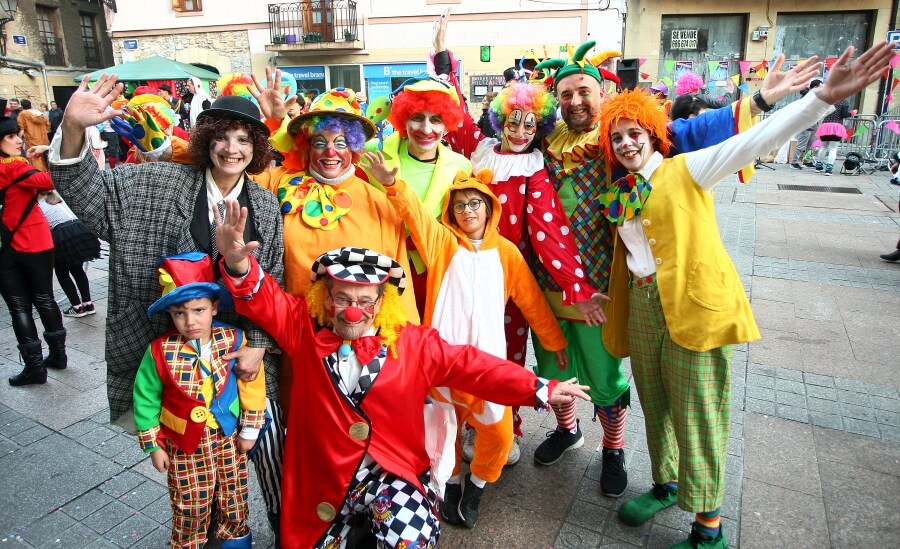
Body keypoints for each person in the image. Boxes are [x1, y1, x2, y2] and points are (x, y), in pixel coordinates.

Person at [597, 42, 893, 549]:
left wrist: (820, 100)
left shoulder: (689, 169)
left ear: (653, 135)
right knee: (657, 402)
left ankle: (708, 528)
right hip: (643, 308)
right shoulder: (620, 189)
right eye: (617, 136)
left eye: (634, 133)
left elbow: (756, 142)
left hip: (691, 306)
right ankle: (667, 484)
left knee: (699, 409)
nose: (626, 143)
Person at [528, 40, 814, 497]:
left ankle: (614, 448)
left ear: (602, 92)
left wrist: (759, 100)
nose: (575, 101)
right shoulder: (543, 139)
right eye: (565, 94)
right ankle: (567, 429)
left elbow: (699, 132)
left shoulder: (622, 134)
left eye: (583, 90)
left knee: (604, 374)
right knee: (553, 362)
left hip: (603, 282)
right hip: (548, 279)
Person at [213, 204, 592, 548]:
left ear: (382, 303)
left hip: (391, 473)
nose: (352, 311)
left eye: (365, 301)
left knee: (411, 541)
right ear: (324, 299)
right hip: (322, 476)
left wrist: (541, 387)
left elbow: (476, 367)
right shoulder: (303, 327)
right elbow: (264, 299)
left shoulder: (414, 344)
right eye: (342, 298)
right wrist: (237, 264)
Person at [47, 75, 287, 535]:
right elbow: (89, 197)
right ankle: (205, 534)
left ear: (256, 147)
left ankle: (270, 531)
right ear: (204, 140)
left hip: (239, 365)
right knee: (193, 478)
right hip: (175, 364)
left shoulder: (265, 205)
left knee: (257, 463)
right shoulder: (154, 182)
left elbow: (272, 277)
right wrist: (74, 129)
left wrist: (257, 343)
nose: (231, 149)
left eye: (242, 139)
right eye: (220, 136)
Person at [430, 13, 605, 462]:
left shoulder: (535, 170)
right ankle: (463, 420)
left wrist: (577, 287)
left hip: (506, 276)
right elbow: (458, 115)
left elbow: (551, 233)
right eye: (514, 122)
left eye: (531, 125)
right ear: (501, 120)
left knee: (504, 354)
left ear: (540, 127)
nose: (522, 132)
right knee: (460, 345)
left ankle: (505, 426)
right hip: (459, 264)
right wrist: (444, 58)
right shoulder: (481, 149)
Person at [367, 161, 569, 528]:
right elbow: (415, 215)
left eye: (475, 203)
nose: (467, 211)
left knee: (500, 432)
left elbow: (532, 301)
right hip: (441, 364)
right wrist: (393, 184)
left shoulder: (507, 253)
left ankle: (477, 484)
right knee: (444, 432)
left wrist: (554, 341)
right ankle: (454, 483)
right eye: (459, 205)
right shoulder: (442, 243)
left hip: (487, 367)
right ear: (451, 212)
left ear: (489, 207)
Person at [134, 252, 266, 549]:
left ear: (214, 307)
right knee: (189, 502)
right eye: (179, 313)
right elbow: (145, 398)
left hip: (228, 437)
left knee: (234, 495)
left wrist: (250, 429)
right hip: (184, 444)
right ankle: (189, 542)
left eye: (198, 310)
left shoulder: (234, 339)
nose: (190, 321)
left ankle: (235, 539)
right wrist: (153, 445)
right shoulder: (159, 350)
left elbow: (252, 383)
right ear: (170, 315)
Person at [359, 74, 472, 313]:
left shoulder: (460, 166)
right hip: (382, 269)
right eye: (417, 118)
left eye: (436, 120)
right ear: (403, 120)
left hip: (434, 269)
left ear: (447, 124)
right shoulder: (372, 155)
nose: (426, 129)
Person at [1, 116, 68, 385]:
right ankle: (58, 356)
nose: (18, 140)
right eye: (10, 136)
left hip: (6, 245)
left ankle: (34, 368)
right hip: (35, 240)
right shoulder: (15, 167)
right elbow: (53, 181)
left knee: (18, 306)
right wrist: (47, 152)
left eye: (17, 134)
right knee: (44, 298)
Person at [37, 191, 101, 317]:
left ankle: (76, 307)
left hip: (62, 233)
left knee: (62, 272)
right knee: (77, 269)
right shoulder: (58, 199)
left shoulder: (38, 205)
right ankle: (88, 304)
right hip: (79, 229)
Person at [814, 83, 856, 175]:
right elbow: (844, 115)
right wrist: (852, 113)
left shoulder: (828, 100)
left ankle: (818, 166)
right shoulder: (844, 101)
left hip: (825, 125)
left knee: (823, 147)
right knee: (833, 149)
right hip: (836, 126)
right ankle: (829, 169)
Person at [790, 78, 824, 169]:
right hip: (807, 124)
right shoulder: (808, 96)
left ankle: (806, 160)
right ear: (815, 87)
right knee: (801, 144)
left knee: (811, 144)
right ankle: (794, 162)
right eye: (820, 86)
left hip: (815, 123)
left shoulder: (817, 96)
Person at [17, 100, 50, 171]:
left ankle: (39, 174)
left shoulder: (22, 114)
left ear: (22, 106)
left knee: (35, 157)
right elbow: (48, 126)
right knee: (46, 156)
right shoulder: (39, 113)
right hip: (44, 139)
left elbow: (21, 129)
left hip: (32, 140)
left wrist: (18, 139)